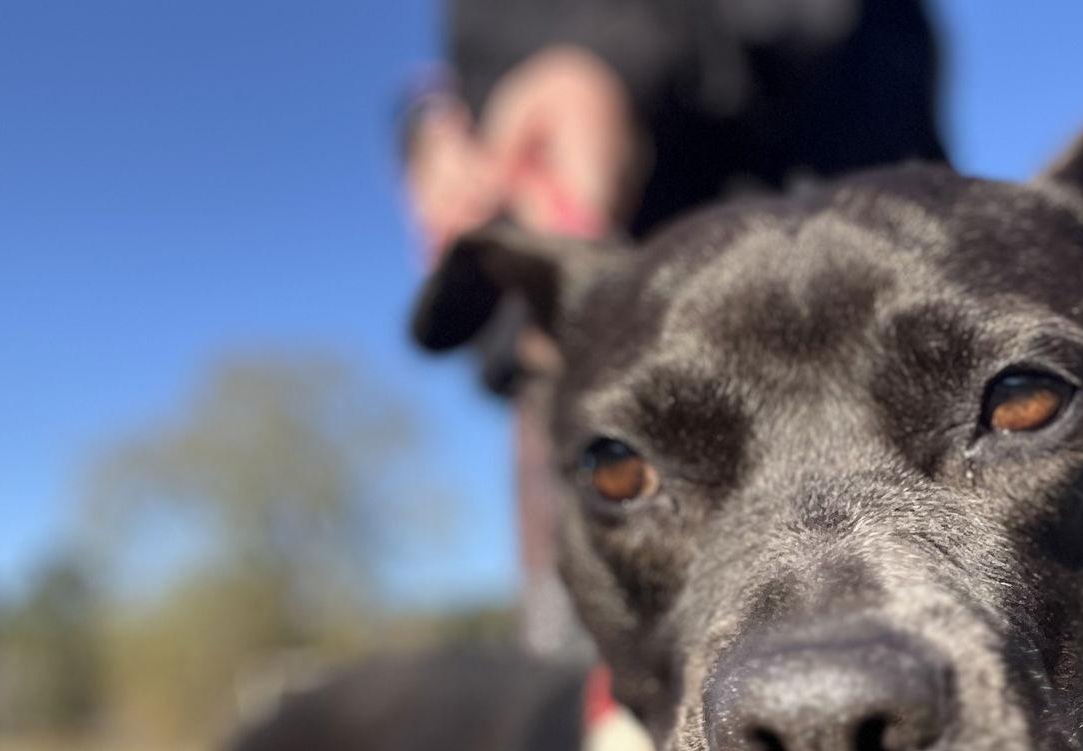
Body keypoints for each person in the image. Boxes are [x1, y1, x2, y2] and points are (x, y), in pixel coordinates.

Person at [403, 0, 947, 656]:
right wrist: (430, 129)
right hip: (575, 370)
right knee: (594, 703)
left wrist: (610, 61)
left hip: (832, 316)